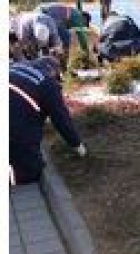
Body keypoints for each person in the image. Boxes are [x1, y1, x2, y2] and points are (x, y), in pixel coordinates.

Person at [9, 56, 87, 186]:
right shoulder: (46, 82)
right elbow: (61, 119)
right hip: (15, 127)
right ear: (53, 71)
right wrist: (78, 145)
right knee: (29, 171)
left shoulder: (16, 67)